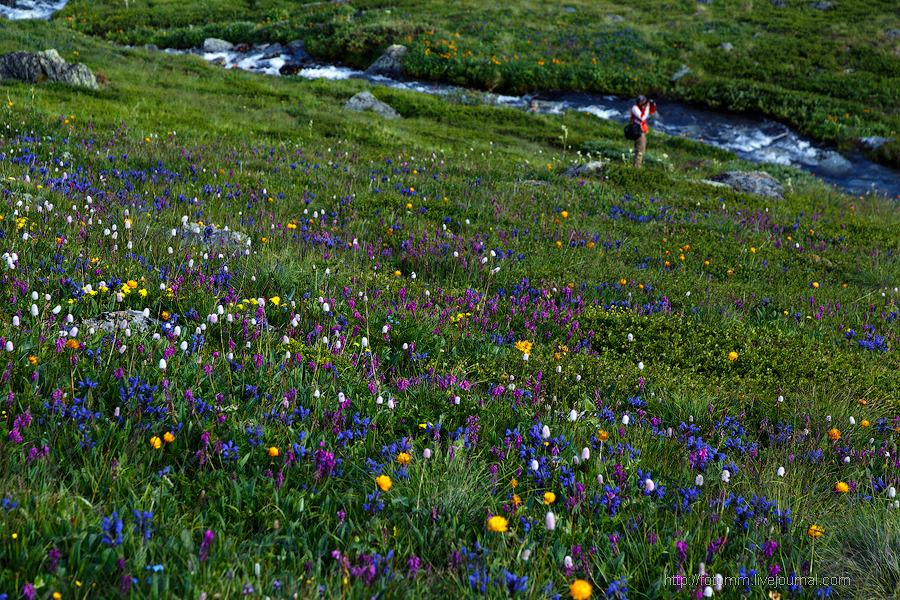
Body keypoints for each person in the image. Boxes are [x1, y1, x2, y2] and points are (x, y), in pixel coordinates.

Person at [631, 95, 657, 168]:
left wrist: (652, 104)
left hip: (643, 130)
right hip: (638, 131)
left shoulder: (642, 107)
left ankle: (638, 165)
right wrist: (646, 107)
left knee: (642, 149)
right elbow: (642, 117)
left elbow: (652, 111)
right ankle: (636, 166)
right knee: (639, 149)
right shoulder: (635, 108)